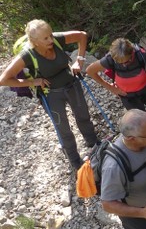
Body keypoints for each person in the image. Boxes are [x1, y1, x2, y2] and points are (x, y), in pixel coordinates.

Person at [0, 19, 98, 171]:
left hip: (72, 85)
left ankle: (94, 144)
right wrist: (33, 82)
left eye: (51, 35)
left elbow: (82, 35)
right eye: (45, 38)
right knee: (64, 130)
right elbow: (4, 80)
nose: (51, 39)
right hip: (51, 95)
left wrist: (80, 60)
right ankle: (75, 162)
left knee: (83, 116)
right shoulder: (27, 56)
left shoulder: (57, 40)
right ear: (34, 41)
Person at [86, 37, 146, 141]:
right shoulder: (110, 60)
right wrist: (111, 88)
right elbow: (90, 70)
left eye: (127, 61)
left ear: (132, 53)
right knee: (139, 125)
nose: (124, 65)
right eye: (120, 63)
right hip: (129, 98)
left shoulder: (141, 55)